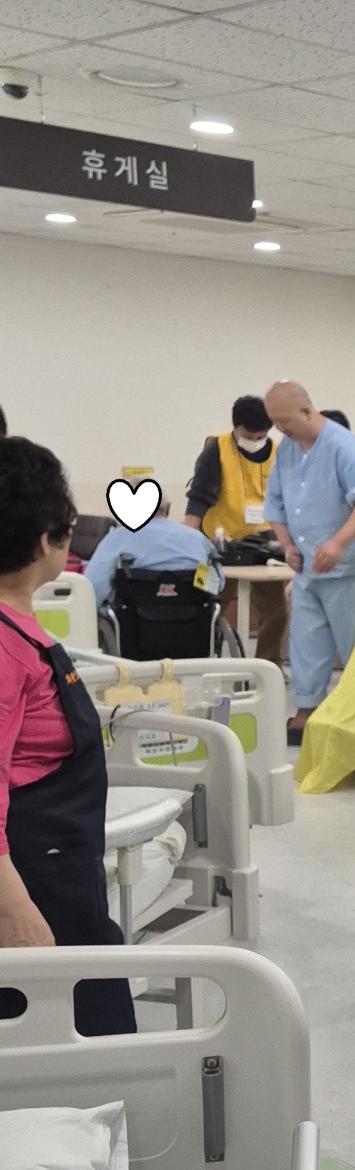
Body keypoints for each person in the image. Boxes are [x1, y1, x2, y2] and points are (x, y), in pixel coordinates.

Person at [0, 436, 136, 1034]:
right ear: (43, 542)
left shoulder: (22, 629)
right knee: (75, 1040)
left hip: (60, 867)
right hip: (33, 885)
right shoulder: (5, 649)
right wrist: (17, 913)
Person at [261, 380, 355, 744]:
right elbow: (275, 502)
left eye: (285, 420)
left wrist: (339, 543)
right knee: (306, 640)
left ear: (306, 411)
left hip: (346, 569)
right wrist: (287, 546)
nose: (280, 429)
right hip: (306, 569)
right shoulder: (286, 450)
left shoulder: (344, 445)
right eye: (275, 422)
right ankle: (308, 709)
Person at [183, 392, 285, 661]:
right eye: (249, 436)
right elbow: (200, 496)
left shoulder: (279, 452)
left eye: (261, 436)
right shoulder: (216, 449)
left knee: (276, 613)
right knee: (207, 607)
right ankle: (203, 662)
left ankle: (269, 669)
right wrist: (187, 538)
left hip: (264, 547)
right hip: (218, 546)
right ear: (235, 427)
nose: (256, 441)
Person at [86, 491, 222, 610]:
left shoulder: (117, 537)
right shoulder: (197, 538)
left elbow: (94, 587)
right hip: (193, 623)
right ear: (168, 508)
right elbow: (218, 584)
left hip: (131, 625)